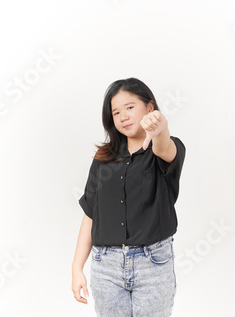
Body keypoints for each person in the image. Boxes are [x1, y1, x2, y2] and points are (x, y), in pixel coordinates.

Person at [71, 77, 186, 316]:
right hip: (106, 267)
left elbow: (163, 145)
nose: (123, 116)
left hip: (153, 264)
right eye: (116, 112)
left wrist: (160, 126)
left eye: (130, 107)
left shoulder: (163, 150)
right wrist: (76, 267)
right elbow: (91, 213)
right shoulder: (103, 159)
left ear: (150, 108)